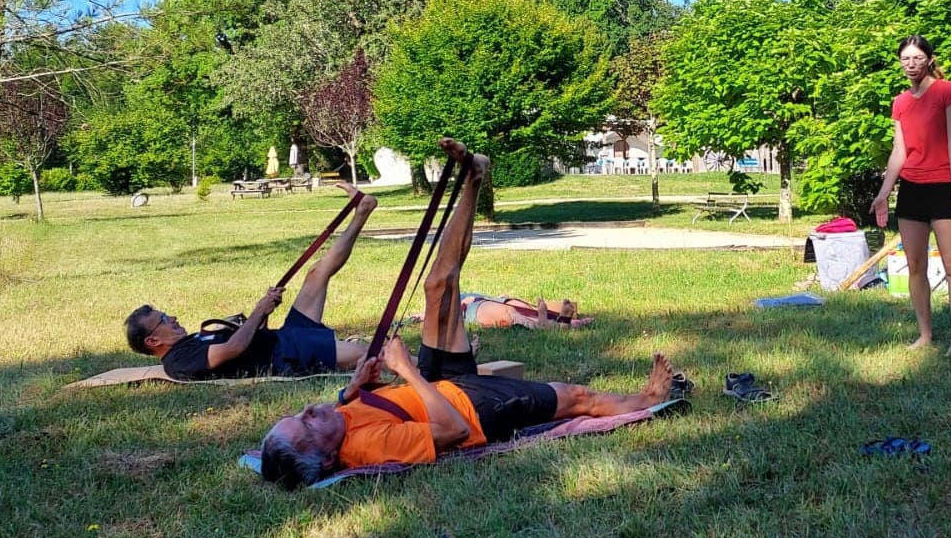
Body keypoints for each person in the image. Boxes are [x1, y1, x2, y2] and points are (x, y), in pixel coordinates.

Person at [260, 139, 681, 489]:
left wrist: (352, 389)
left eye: (298, 414)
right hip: (473, 410)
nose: (309, 411)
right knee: (575, 398)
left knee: (437, 285)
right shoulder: (367, 449)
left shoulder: (336, 423)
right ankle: (646, 400)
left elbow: (345, 411)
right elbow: (453, 432)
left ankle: (474, 177)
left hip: (439, 387)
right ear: (331, 459)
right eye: (308, 426)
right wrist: (407, 372)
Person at [122, 182, 377, 379]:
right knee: (369, 353)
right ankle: (416, 367)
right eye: (164, 320)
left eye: (166, 314)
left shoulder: (189, 343)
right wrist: (259, 309)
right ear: (153, 341)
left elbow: (246, 340)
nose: (173, 318)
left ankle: (362, 210)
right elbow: (233, 349)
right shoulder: (179, 361)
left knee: (316, 274)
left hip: (284, 337)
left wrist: (265, 311)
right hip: (288, 355)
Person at [869, 34, 951, 355]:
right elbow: (899, 151)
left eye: (917, 58)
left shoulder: (948, 92)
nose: (911, 64)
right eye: (905, 59)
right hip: (912, 191)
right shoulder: (900, 103)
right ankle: (925, 335)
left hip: (943, 187)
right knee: (916, 267)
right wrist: (884, 192)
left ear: (929, 59)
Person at [410, 293, 591, 330]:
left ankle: (565, 322)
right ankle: (544, 325)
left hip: (486, 299)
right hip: (472, 309)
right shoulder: (435, 305)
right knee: (509, 312)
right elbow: (428, 316)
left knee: (523, 308)